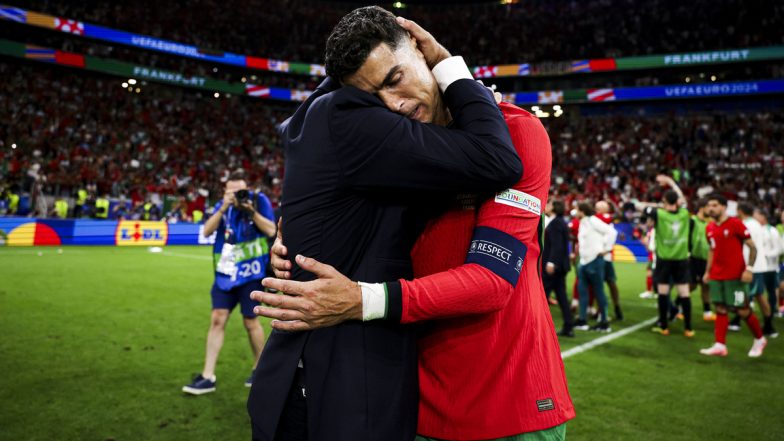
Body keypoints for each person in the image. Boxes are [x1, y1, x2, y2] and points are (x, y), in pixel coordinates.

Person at [255, 31, 574, 441]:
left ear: (423, 54)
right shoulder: (391, 148)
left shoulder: (517, 132)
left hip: (510, 405)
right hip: (414, 407)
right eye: (375, 97)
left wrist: (361, 300)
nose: (395, 103)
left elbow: (491, 282)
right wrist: (294, 241)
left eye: (394, 79)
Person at [182, 170, 276, 395]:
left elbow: (271, 229)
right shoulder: (222, 206)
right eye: (231, 191)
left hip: (252, 272)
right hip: (226, 274)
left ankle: (259, 369)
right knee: (217, 318)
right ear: (225, 191)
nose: (236, 195)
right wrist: (223, 207)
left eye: (239, 191)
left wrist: (251, 211)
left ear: (247, 188)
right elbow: (206, 231)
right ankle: (207, 376)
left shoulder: (257, 200)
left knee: (250, 321)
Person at [699, 194, 767, 358]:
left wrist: (749, 269)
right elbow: (712, 250)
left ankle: (759, 339)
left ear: (723, 207)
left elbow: (753, 247)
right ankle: (720, 345)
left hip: (735, 277)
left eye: (714, 205)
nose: (711, 209)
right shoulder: (710, 228)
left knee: (742, 310)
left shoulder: (736, 224)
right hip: (716, 276)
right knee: (720, 308)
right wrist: (708, 271)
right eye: (709, 206)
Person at [642, 179, 695, 337]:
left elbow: (645, 211)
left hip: (664, 259)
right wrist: (672, 183)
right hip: (681, 259)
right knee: (684, 293)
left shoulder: (659, 214)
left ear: (664, 201)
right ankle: (688, 328)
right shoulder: (685, 214)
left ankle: (663, 326)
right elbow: (683, 201)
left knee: (663, 293)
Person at [573, 202, 617, 332]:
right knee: (583, 291)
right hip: (585, 261)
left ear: (582, 211)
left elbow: (612, 232)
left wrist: (606, 249)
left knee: (599, 292)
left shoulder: (593, 221)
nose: (575, 212)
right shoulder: (584, 222)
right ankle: (582, 320)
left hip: (595, 261)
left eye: (577, 210)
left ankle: (604, 322)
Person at [738, 205, 778, 337]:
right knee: (757, 295)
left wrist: (747, 267)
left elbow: (748, 247)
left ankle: (767, 326)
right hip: (757, 265)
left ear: (740, 211)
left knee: (749, 295)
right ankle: (767, 325)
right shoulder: (756, 224)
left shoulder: (746, 225)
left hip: (752, 266)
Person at [545, 199, 574, 336]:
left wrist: (551, 262)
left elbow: (557, 245)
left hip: (555, 267)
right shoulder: (559, 221)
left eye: (548, 204)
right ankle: (568, 326)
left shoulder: (556, 222)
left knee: (542, 296)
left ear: (554, 207)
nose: (546, 206)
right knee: (561, 296)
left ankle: (537, 327)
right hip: (560, 266)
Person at [595, 200, 623, 320]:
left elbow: (616, 217)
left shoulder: (599, 219)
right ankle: (609, 308)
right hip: (601, 256)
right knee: (608, 283)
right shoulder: (602, 219)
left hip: (603, 256)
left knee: (602, 284)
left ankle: (604, 310)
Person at [690, 198, 715, 321]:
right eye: (708, 207)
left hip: (706, 259)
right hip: (693, 259)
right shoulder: (692, 221)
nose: (710, 209)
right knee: (692, 285)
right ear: (701, 208)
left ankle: (707, 311)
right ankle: (677, 307)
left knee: (706, 285)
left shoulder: (710, 223)